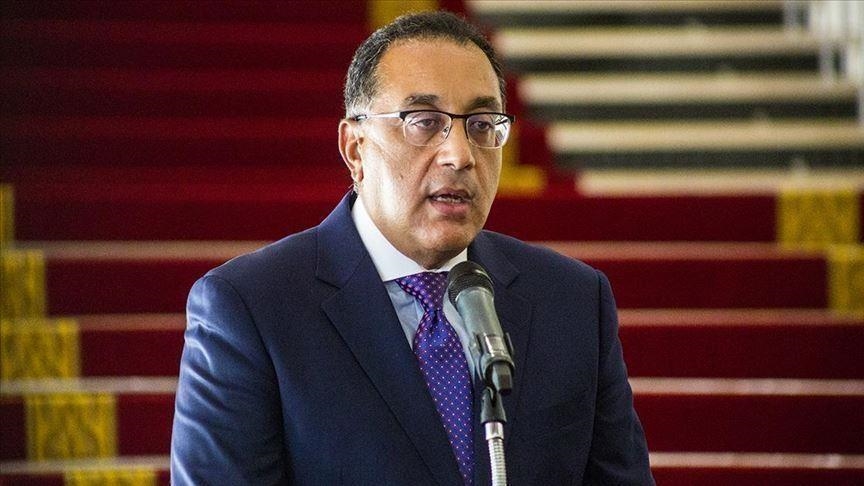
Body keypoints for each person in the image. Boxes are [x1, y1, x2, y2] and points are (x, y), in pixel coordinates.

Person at [171, 10, 653, 485]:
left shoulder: (572, 300)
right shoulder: (251, 308)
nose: (460, 155)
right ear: (355, 148)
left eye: (481, 124)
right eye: (424, 122)